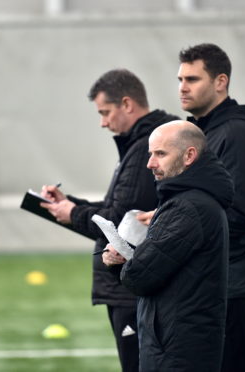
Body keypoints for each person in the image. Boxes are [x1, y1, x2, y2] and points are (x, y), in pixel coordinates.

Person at [137, 43, 245, 372]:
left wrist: (176, 223)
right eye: (180, 79)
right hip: (212, 282)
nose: (182, 87)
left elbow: (243, 212)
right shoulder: (202, 131)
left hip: (236, 283)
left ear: (220, 82)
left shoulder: (236, 132)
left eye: (193, 79)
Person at [40, 69, 179, 372]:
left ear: (127, 104)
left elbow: (121, 221)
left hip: (132, 281)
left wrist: (72, 214)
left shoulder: (146, 146)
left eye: (105, 112)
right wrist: (70, 205)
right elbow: (119, 207)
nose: (103, 122)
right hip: (131, 280)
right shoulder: (140, 143)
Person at [103, 120, 234, 371]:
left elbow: (140, 277)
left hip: (177, 347)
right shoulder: (187, 200)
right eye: (151, 154)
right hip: (178, 340)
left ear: (189, 156)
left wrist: (117, 261)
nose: (150, 163)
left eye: (160, 154)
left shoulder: (187, 207)